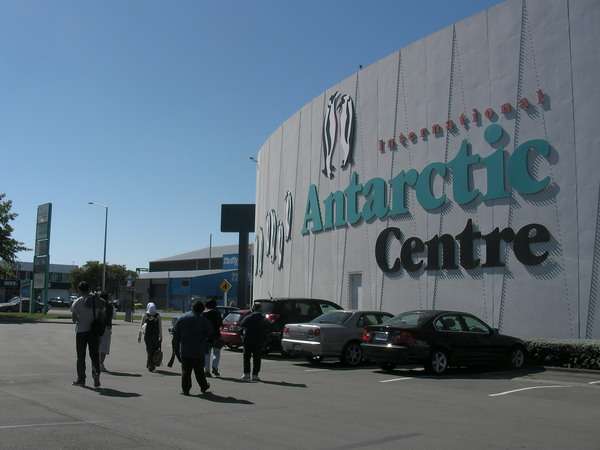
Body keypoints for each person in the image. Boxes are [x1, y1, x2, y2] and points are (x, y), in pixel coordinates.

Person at [173, 300, 212, 395]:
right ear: (202, 310)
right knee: (199, 371)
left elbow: (176, 336)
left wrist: (176, 352)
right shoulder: (203, 320)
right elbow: (210, 333)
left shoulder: (182, 318)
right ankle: (204, 386)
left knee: (186, 371)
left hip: (185, 350)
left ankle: (186, 389)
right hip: (198, 350)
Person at [70, 281, 105, 387]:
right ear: (89, 289)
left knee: (81, 356)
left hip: (81, 332)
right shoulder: (98, 301)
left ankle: (81, 379)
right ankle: (96, 376)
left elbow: (74, 319)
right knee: (94, 356)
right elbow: (102, 315)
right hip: (94, 332)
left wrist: (81, 318)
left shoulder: (77, 302)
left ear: (80, 290)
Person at [239, 302, 269, 382]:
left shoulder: (248, 316)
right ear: (260, 309)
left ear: (253, 308)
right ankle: (255, 375)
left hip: (248, 340)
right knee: (257, 358)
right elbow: (269, 327)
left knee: (246, 358)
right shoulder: (263, 318)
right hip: (259, 340)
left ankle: (246, 374)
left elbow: (241, 324)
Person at [138, 302, 162, 372]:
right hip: (155, 336)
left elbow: (141, 326)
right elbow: (160, 327)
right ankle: (151, 365)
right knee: (153, 351)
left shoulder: (145, 315)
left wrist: (139, 336)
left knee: (150, 350)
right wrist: (161, 336)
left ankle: (150, 364)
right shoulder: (158, 316)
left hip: (148, 337)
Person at [203, 299, 223, 377]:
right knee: (216, 353)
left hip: (206, 336)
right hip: (216, 336)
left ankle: (207, 370)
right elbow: (221, 324)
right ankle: (215, 367)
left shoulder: (204, 313)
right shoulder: (217, 313)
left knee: (207, 354)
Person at [99, 292, 113, 372]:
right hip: (106, 328)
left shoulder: (97, 305)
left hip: (96, 328)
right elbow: (110, 317)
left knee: (98, 346)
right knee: (104, 347)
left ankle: (97, 363)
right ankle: (101, 364)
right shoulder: (109, 306)